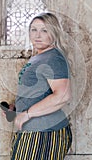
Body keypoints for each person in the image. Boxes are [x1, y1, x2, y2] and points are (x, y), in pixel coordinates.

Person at [8, 12, 73, 160]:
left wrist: (28, 114)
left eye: (44, 30)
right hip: (33, 130)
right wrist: (17, 108)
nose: (38, 35)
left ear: (54, 33)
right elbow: (38, 92)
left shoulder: (53, 58)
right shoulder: (39, 57)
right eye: (33, 29)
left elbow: (63, 95)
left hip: (45, 132)